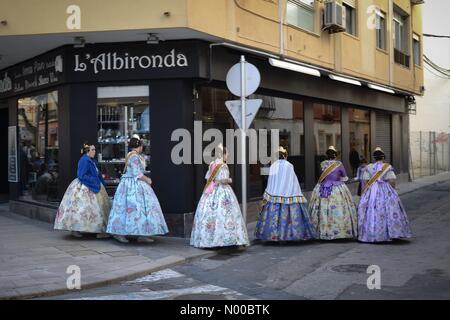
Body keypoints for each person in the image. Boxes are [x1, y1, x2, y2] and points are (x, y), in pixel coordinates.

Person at [106, 136, 168, 243]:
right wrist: (147, 179)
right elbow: (136, 173)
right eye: (142, 146)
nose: (143, 148)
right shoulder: (134, 156)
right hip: (132, 184)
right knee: (134, 208)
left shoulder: (135, 156)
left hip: (132, 183)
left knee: (138, 209)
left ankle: (141, 233)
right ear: (139, 146)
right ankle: (120, 233)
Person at [190, 144, 250, 249]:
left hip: (211, 191)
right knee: (225, 214)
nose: (227, 156)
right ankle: (225, 239)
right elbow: (223, 180)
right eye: (227, 154)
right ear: (223, 154)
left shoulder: (212, 164)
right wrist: (230, 180)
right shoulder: (223, 165)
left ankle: (208, 239)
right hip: (222, 190)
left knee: (210, 215)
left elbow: (208, 178)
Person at [254, 146, 315, 242]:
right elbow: (293, 181)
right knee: (289, 217)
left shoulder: (273, 165)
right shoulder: (289, 165)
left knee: (274, 217)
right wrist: (296, 192)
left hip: (274, 195)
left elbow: (271, 181)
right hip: (288, 194)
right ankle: (289, 235)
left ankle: (274, 235)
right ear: (285, 156)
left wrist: (269, 192)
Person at [54, 143, 111, 238]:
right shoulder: (84, 160)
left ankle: (99, 229)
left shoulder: (92, 161)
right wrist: (93, 181)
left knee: (98, 208)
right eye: (92, 150)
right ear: (87, 151)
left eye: (94, 150)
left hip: (95, 185)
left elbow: (97, 174)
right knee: (82, 208)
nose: (94, 151)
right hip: (86, 186)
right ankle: (76, 229)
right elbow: (81, 175)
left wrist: (101, 182)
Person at [357, 147, 412, 243]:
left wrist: (364, 193)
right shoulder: (387, 167)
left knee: (370, 211)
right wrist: (392, 190)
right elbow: (392, 180)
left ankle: (371, 233)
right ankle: (389, 233)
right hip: (384, 189)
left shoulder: (369, 167)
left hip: (371, 190)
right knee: (388, 210)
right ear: (383, 157)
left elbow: (365, 181)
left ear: (374, 158)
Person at [308, 146, 358, 240]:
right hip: (337, 187)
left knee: (322, 208)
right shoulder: (339, 164)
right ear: (335, 155)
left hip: (323, 187)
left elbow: (321, 176)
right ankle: (339, 232)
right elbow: (344, 177)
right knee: (340, 208)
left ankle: (323, 231)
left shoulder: (323, 164)